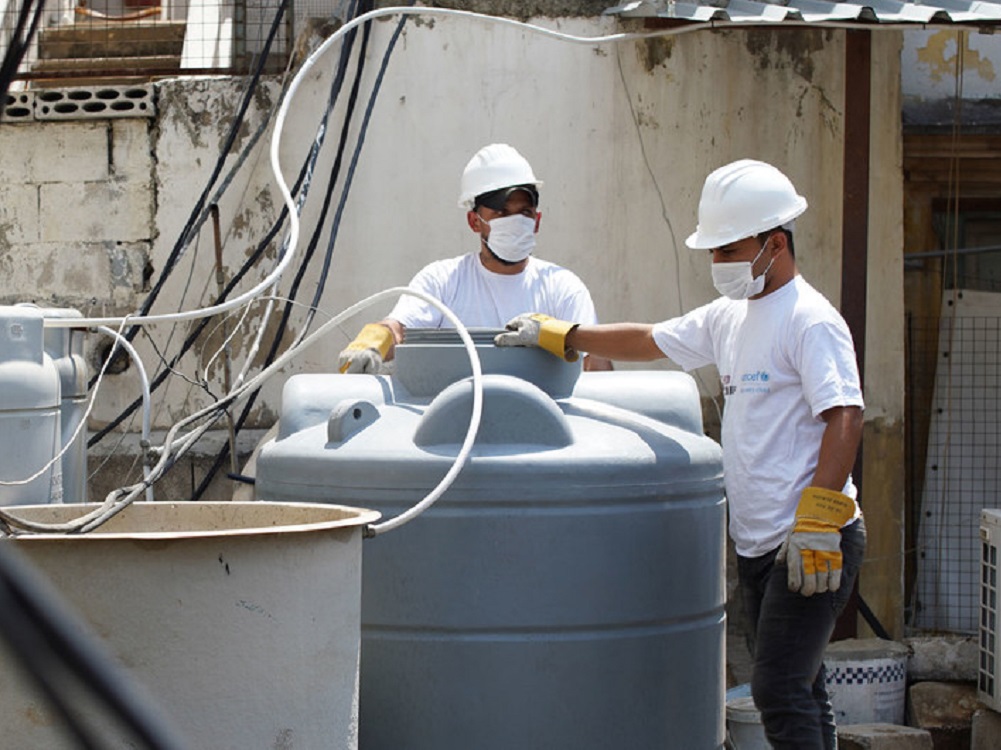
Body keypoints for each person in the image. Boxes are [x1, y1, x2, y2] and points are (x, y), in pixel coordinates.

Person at [496, 159, 865, 750]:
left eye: (728, 250)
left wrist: (819, 521)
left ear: (775, 243)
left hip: (812, 539)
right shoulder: (731, 317)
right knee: (802, 686)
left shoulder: (810, 319)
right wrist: (564, 335)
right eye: (713, 252)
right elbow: (650, 339)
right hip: (759, 542)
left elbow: (845, 414)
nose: (717, 264)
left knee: (777, 689)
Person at [338, 143, 613, 373]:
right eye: (502, 213)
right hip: (456, 424)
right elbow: (398, 328)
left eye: (524, 213)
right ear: (474, 221)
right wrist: (372, 343)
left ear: (537, 220)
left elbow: (595, 363)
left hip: (542, 428)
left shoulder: (561, 286)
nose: (515, 222)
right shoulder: (443, 280)